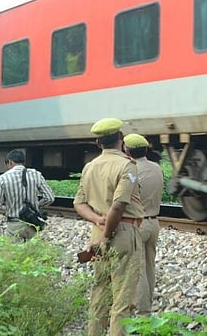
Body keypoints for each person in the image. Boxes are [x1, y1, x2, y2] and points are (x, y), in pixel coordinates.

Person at [73, 118, 145, 336]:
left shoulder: (89, 167)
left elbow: (78, 203)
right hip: (121, 233)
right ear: (121, 139)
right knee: (122, 299)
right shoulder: (126, 165)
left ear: (98, 143)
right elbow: (118, 206)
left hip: (97, 234)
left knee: (100, 294)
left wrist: (96, 220)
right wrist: (108, 232)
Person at [124, 133, 164, 314]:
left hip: (137, 224)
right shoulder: (157, 168)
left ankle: (143, 313)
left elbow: (128, 192)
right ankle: (147, 304)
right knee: (149, 266)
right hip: (154, 222)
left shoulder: (131, 171)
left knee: (137, 269)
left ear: (127, 150)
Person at [0, 149, 55, 241]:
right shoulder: (36, 174)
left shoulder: (3, 178)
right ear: (23, 162)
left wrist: (10, 210)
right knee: (33, 253)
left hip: (14, 224)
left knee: (14, 254)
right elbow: (50, 198)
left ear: (10, 162)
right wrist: (35, 206)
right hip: (33, 223)